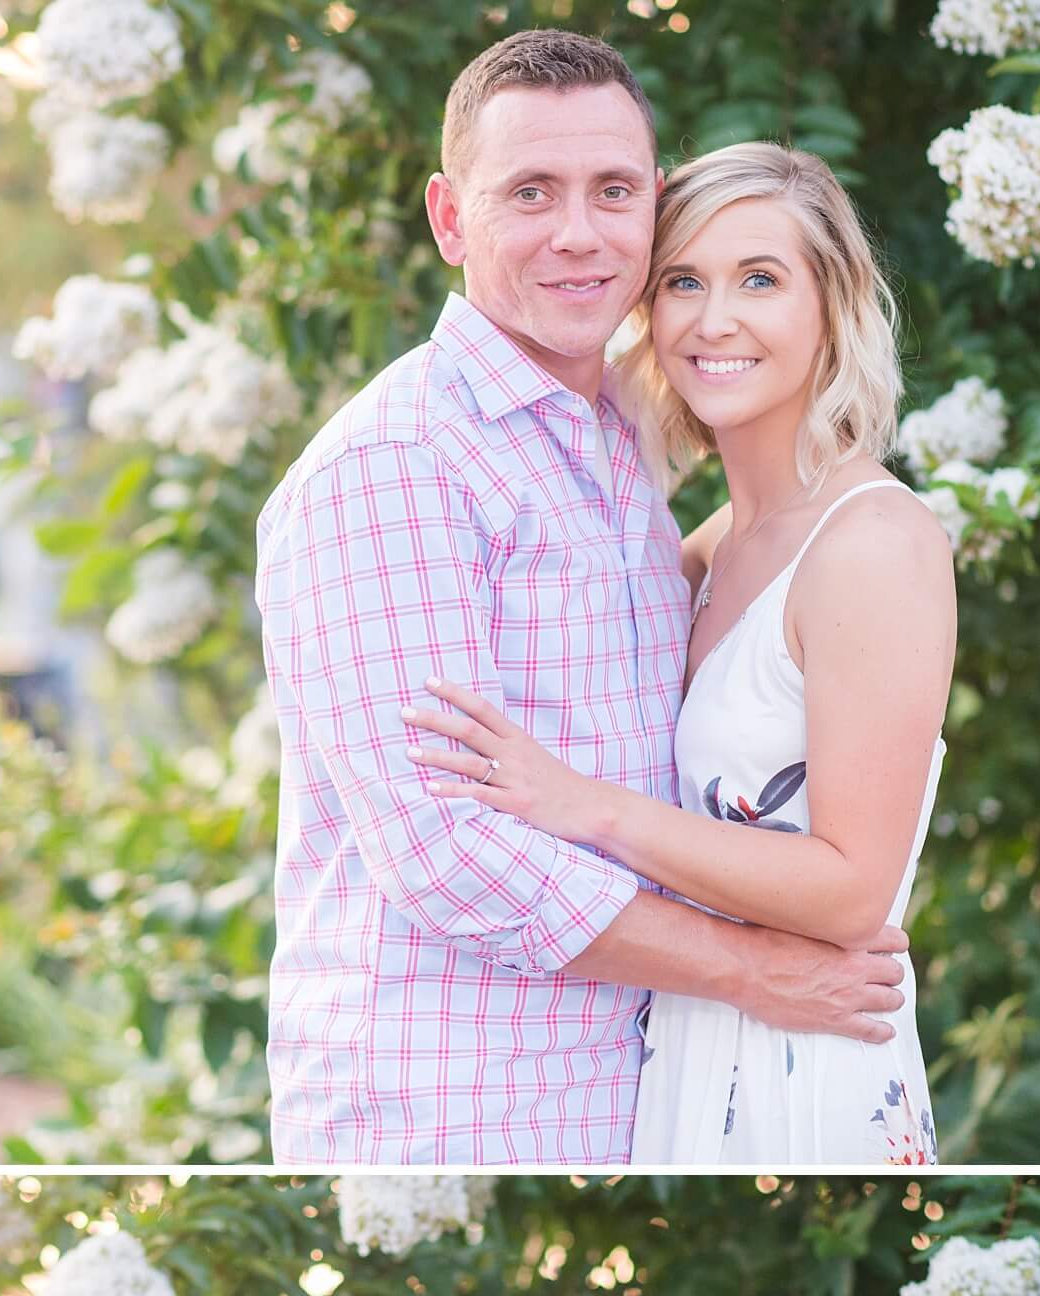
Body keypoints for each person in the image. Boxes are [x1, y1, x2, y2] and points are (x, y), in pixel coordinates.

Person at [256, 33, 911, 1168]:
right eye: (530, 194)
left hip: (640, 1092)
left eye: (612, 191)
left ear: (653, 206)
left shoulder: (615, 437)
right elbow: (446, 849)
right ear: (451, 218)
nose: (578, 232)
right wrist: (751, 968)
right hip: (445, 1109)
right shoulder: (398, 464)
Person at [405, 143, 957, 1166]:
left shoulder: (875, 544)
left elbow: (852, 889)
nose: (715, 319)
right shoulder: (702, 548)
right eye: (682, 282)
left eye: (760, 279)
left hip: (808, 1055)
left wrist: (588, 804)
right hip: (687, 1047)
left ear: (831, 305)